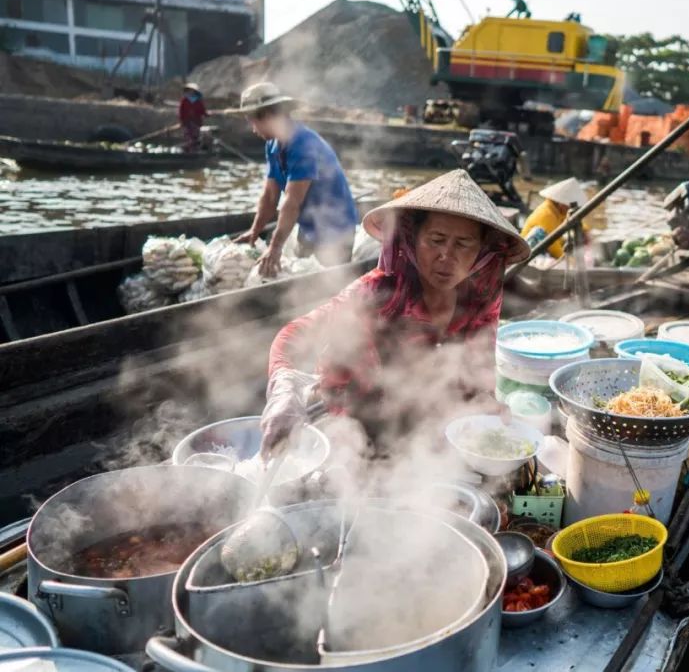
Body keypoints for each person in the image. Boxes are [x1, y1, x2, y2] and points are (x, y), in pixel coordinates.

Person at [258, 169, 530, 456]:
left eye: (463, 245)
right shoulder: (377, 293)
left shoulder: (478, 300)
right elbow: (294, 335)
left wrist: (485, 402)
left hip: (424, 427)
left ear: (481, 252)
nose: (446, 256)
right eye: (436, 239)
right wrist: (285, 390)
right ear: (412, 239)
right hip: (349, 426)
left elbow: (477, 369)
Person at [231, 82, 359, 275]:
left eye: (251, 120)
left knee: (328, 287)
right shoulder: (273, 144)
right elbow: (269, 197)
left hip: (335, 229)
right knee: (300, 276)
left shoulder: (303, 144)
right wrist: (255, 231)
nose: (252, 128)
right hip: (308, 225)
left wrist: (274, 248)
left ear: (266, 116)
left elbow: (291, 202)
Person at [520, 178, 587, 259]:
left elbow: (573, 219)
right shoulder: (547, 214)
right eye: (569, 205)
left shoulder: (559, 212)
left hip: (550, 244)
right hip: (529, 250)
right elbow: (553, 245)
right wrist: (570, 262)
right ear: (561, 203)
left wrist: (585, 230)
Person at [178, 82, 207, 152]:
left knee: (195, 137)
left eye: (191, 91)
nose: (189, 92)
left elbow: (202, 110)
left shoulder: (198, 101)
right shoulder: (184, 101)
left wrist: (206, 114)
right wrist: (182, 120)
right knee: (187, 136)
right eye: (188, 91)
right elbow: (181, 111)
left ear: (194, 92)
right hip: (186, 122)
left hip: (196, 122)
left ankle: (194, 150)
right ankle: (188, 151)